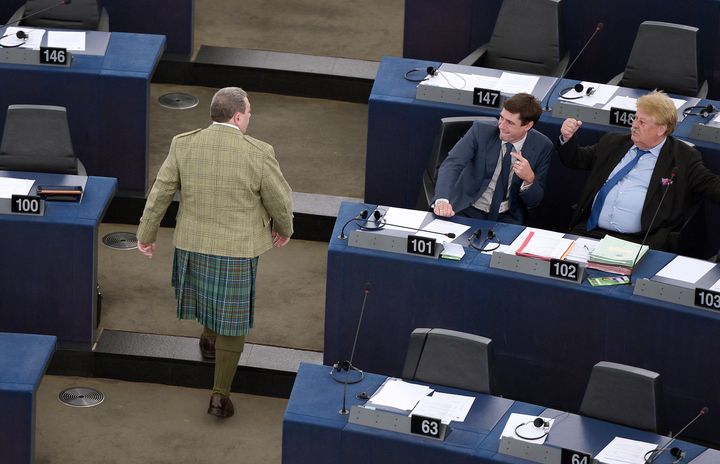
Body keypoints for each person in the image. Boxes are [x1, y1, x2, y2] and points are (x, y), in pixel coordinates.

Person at [136, 87, 294, 419]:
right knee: (233, 322)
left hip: (192, 244)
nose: (250, 117)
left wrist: (146, 234)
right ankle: (219, 396)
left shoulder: (183, 143)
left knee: (207, 294)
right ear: (237, 116)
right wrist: (285, 227)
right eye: (249, 112)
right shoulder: (259, 152)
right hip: (237, 251)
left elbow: (160, 192)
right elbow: (279, 201)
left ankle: (208, 340)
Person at [558, 90, 720, 250]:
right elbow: (576, 159)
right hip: (589, 232)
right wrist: (567, 138)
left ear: (661, 129)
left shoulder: (682, 157)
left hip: (639, 242)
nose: (634, 125)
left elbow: (710, 184)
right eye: (635, 118)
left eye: (642, 122)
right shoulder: (613, 142)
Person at [432, 92, 554, 225]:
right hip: (466, 209)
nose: (501, 125)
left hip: (508, 217)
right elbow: (452, 164)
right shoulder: (481, 131)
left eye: (510, 123)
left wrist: (529, 179)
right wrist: (442, 200)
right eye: (501, 117)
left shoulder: (543, 146)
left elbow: (534, 201)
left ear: (528, 126)